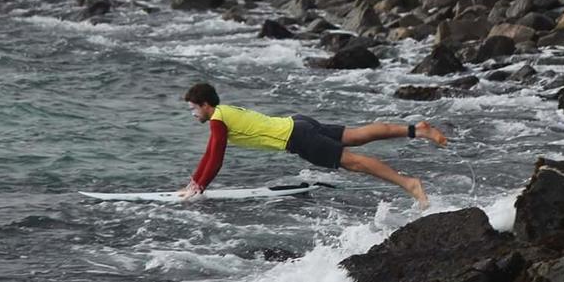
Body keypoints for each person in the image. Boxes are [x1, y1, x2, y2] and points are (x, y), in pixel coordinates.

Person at [179, 83, 447, 207]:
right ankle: (417, 129)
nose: (193, 115)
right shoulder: (224, 112)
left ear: (206, 105)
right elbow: (209, 154)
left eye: (193, 109)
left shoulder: (217, 119)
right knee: (356, 135)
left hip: (297, 137)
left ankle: (410, 184)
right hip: (298, 122)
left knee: (354, 162)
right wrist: (195, 183)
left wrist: (199, 188)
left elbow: (215, 158)